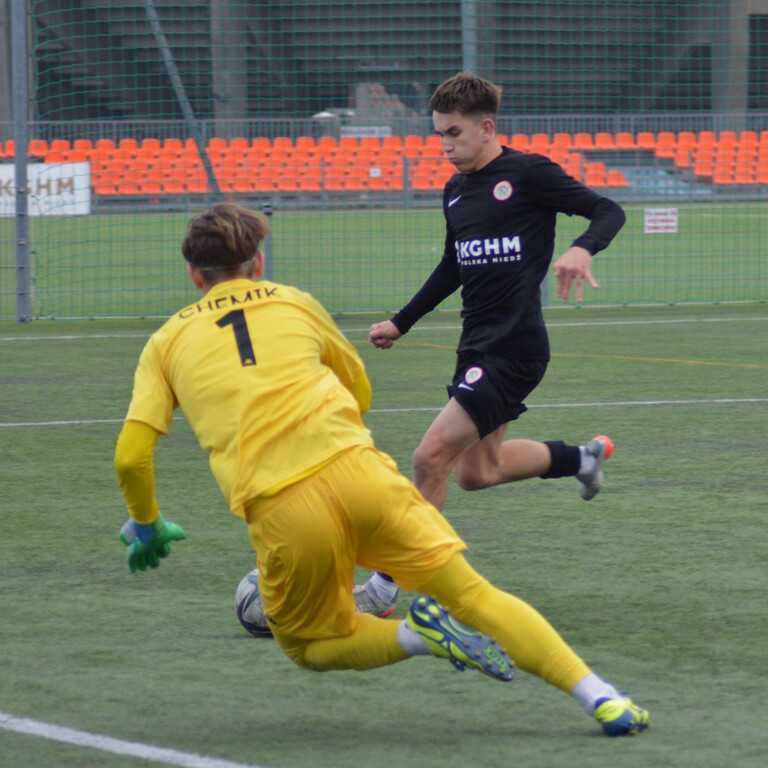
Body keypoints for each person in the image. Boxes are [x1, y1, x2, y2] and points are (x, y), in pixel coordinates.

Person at [114, 202, 648, 737]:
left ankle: (417, 637)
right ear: (257, 263)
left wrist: (147, 523)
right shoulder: (294, 303)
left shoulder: (166, 342)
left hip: (285, 506)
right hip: (364, 476)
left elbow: (131, 456)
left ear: (192, 275)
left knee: (306, 645)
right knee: (477, 597)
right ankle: (602, 698)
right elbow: (360, 393)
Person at [364, 72, 625, 614]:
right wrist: (403, 321)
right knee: (477, 473)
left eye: (454, 134)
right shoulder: (455, 191)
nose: (445, 146)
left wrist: (582, 250)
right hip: (476, 344)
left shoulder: (527, 173)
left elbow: (608, 210)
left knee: (429, 457)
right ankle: (582, 458)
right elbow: (452, 266)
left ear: (486, 127)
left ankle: (388, 588)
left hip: (515, 346)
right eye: (438, 135)